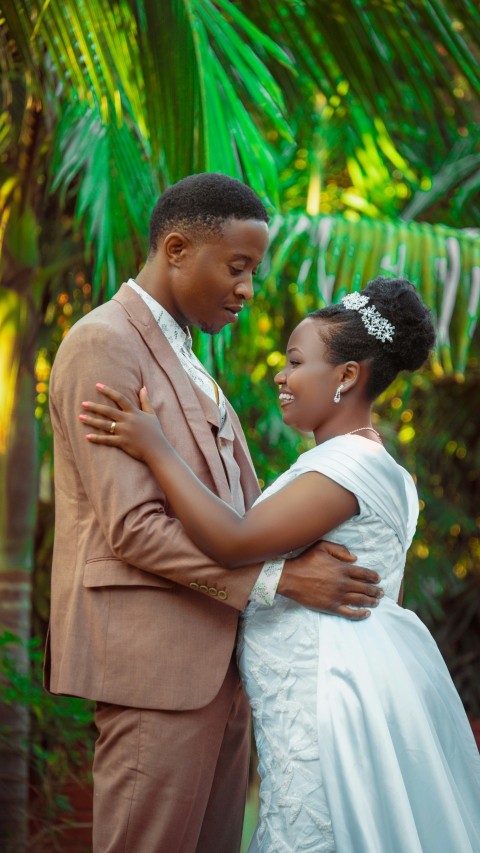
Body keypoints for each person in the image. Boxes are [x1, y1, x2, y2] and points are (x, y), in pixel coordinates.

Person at [80, 275, 480, 852]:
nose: (280, 375)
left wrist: (155, 447)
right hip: (322, 696)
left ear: (347, 376)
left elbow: (235, 540)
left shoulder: (348, 466)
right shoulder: (366, 464)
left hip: (326, 706)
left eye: (295, 361)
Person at [46, 173, 383, 853]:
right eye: (237, 267)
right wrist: (281, 581)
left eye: (252, 271)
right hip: (155, 670)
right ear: (175, 249)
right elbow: (133, 528)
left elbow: (232, 509)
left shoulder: (185, 354)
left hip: (222, 670)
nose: (249, 290)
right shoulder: (103, 342)